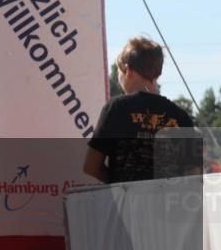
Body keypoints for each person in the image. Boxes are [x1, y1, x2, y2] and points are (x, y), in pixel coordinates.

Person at [83, 36, 199, 184]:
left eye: (119, 72)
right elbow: (194, 175)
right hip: (168, 204)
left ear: (128, 71)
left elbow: (90, 166)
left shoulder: (116, 108)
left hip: (126, 204)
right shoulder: (181, 116)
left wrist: (117, 185)